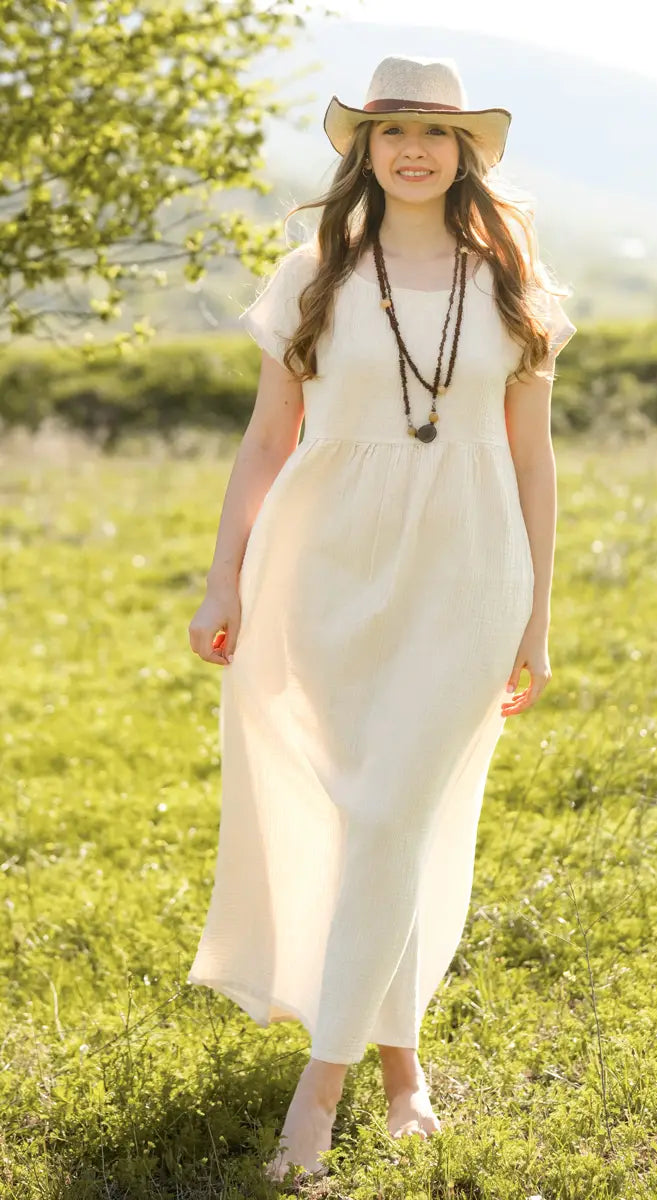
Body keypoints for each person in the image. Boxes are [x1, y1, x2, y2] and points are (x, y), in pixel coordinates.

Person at [186, 53, 577, 1184]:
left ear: (465, 153)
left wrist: (537, 616)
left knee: (398, 808)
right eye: (390, 130)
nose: (412, 149)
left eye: (433, 132)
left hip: (469, 575)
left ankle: (320, 1091)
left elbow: (533, 462)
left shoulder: (513, 282)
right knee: (377, 820)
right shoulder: (313, 273)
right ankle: (402, 1070)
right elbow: (267, 440)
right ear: (362, 150)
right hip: (323, 569)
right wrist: (224, 580)